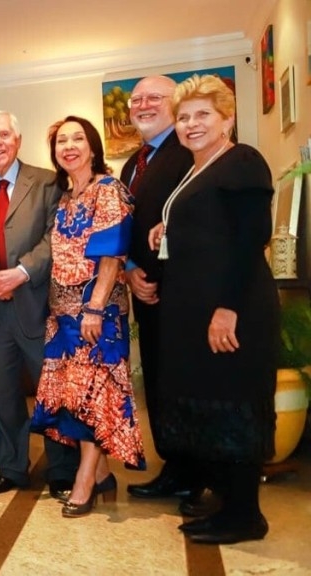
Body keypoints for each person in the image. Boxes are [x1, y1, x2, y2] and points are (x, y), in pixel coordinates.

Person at [148, 74, 277, 544]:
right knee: (212, 408)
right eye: (183, 117)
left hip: (233, 310)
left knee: (234, 406)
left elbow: (249, 241)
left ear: (228, 118)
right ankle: (227, 505)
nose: (191, 124)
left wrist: (228, 309)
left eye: (203, 114)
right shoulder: (196, 169)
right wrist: (165, 232)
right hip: (194, 313)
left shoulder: (242, 160)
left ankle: (246, 516)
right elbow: (207, 227)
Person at [0, 110, 79, 498]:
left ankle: (62, 469)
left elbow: (53, 238)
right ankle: (10, 467)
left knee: (51, 391)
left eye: (4, 135)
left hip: (37, 304)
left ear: (18, 140)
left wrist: (21, 273)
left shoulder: (46, 183)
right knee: (3, 395)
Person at [29, 116, 145, 518]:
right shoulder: (65, 197)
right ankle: (101, 475)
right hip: (61, 317)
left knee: (95, 397)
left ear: (93, 147)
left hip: (97, 314)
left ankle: (83, 483)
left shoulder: (107, 190)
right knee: (74, 399)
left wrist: (94, 307)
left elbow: (112, 255)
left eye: (78, 139)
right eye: (62, 141)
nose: (70, 146)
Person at [119, 77, 200, 505]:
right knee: (159, 382)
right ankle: (174, 467)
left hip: (184, 294)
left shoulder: (191, 151)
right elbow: (126, 226)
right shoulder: (133, 163)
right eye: (137, 99)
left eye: (154, 97)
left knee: (187, 383)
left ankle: (195, 471)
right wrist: (131, 269)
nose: (143, 104)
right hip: (144, 294)